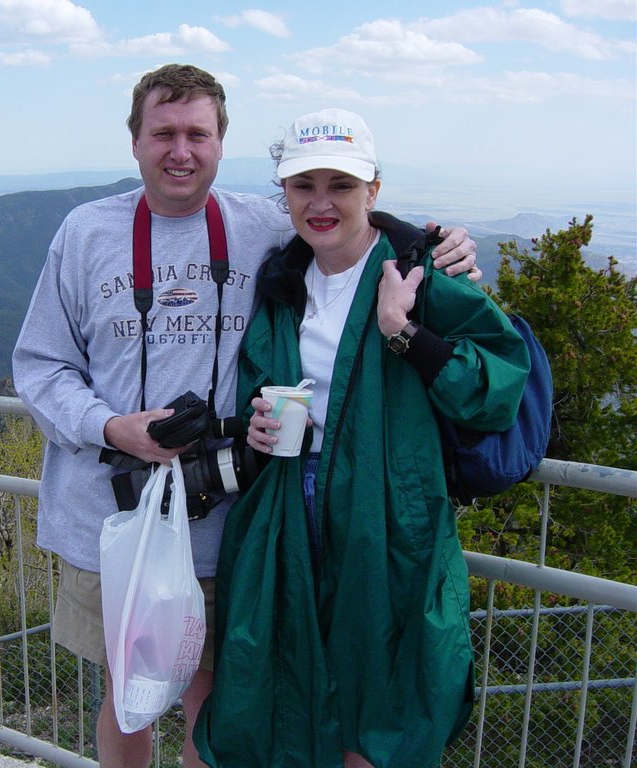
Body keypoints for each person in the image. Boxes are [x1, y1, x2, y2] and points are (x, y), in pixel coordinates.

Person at [12, 66, 479, 768]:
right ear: (134, 142)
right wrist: (113, 427)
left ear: (221, 144)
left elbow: (344, 222)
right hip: (110, 517)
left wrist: (441, 247)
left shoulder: (262, 223)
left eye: (198, 134)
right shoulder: (86, 233)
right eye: (162, 133)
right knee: (127, 694)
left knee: (218, 698)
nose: (180, 151)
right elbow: (40, 365)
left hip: (226, 516)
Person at [192, 108, 531, 767]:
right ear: (283, 193)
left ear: (373, 189)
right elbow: (256, 388)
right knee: (286, 694)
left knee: (382, 710)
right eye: (303, 186)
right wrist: (258, 427)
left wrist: (405, 331)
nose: (321, 203)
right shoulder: (281, 283)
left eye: (341, 186)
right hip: (288, 509)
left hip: (387, 515)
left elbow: (497, 390)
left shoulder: (422, 273)